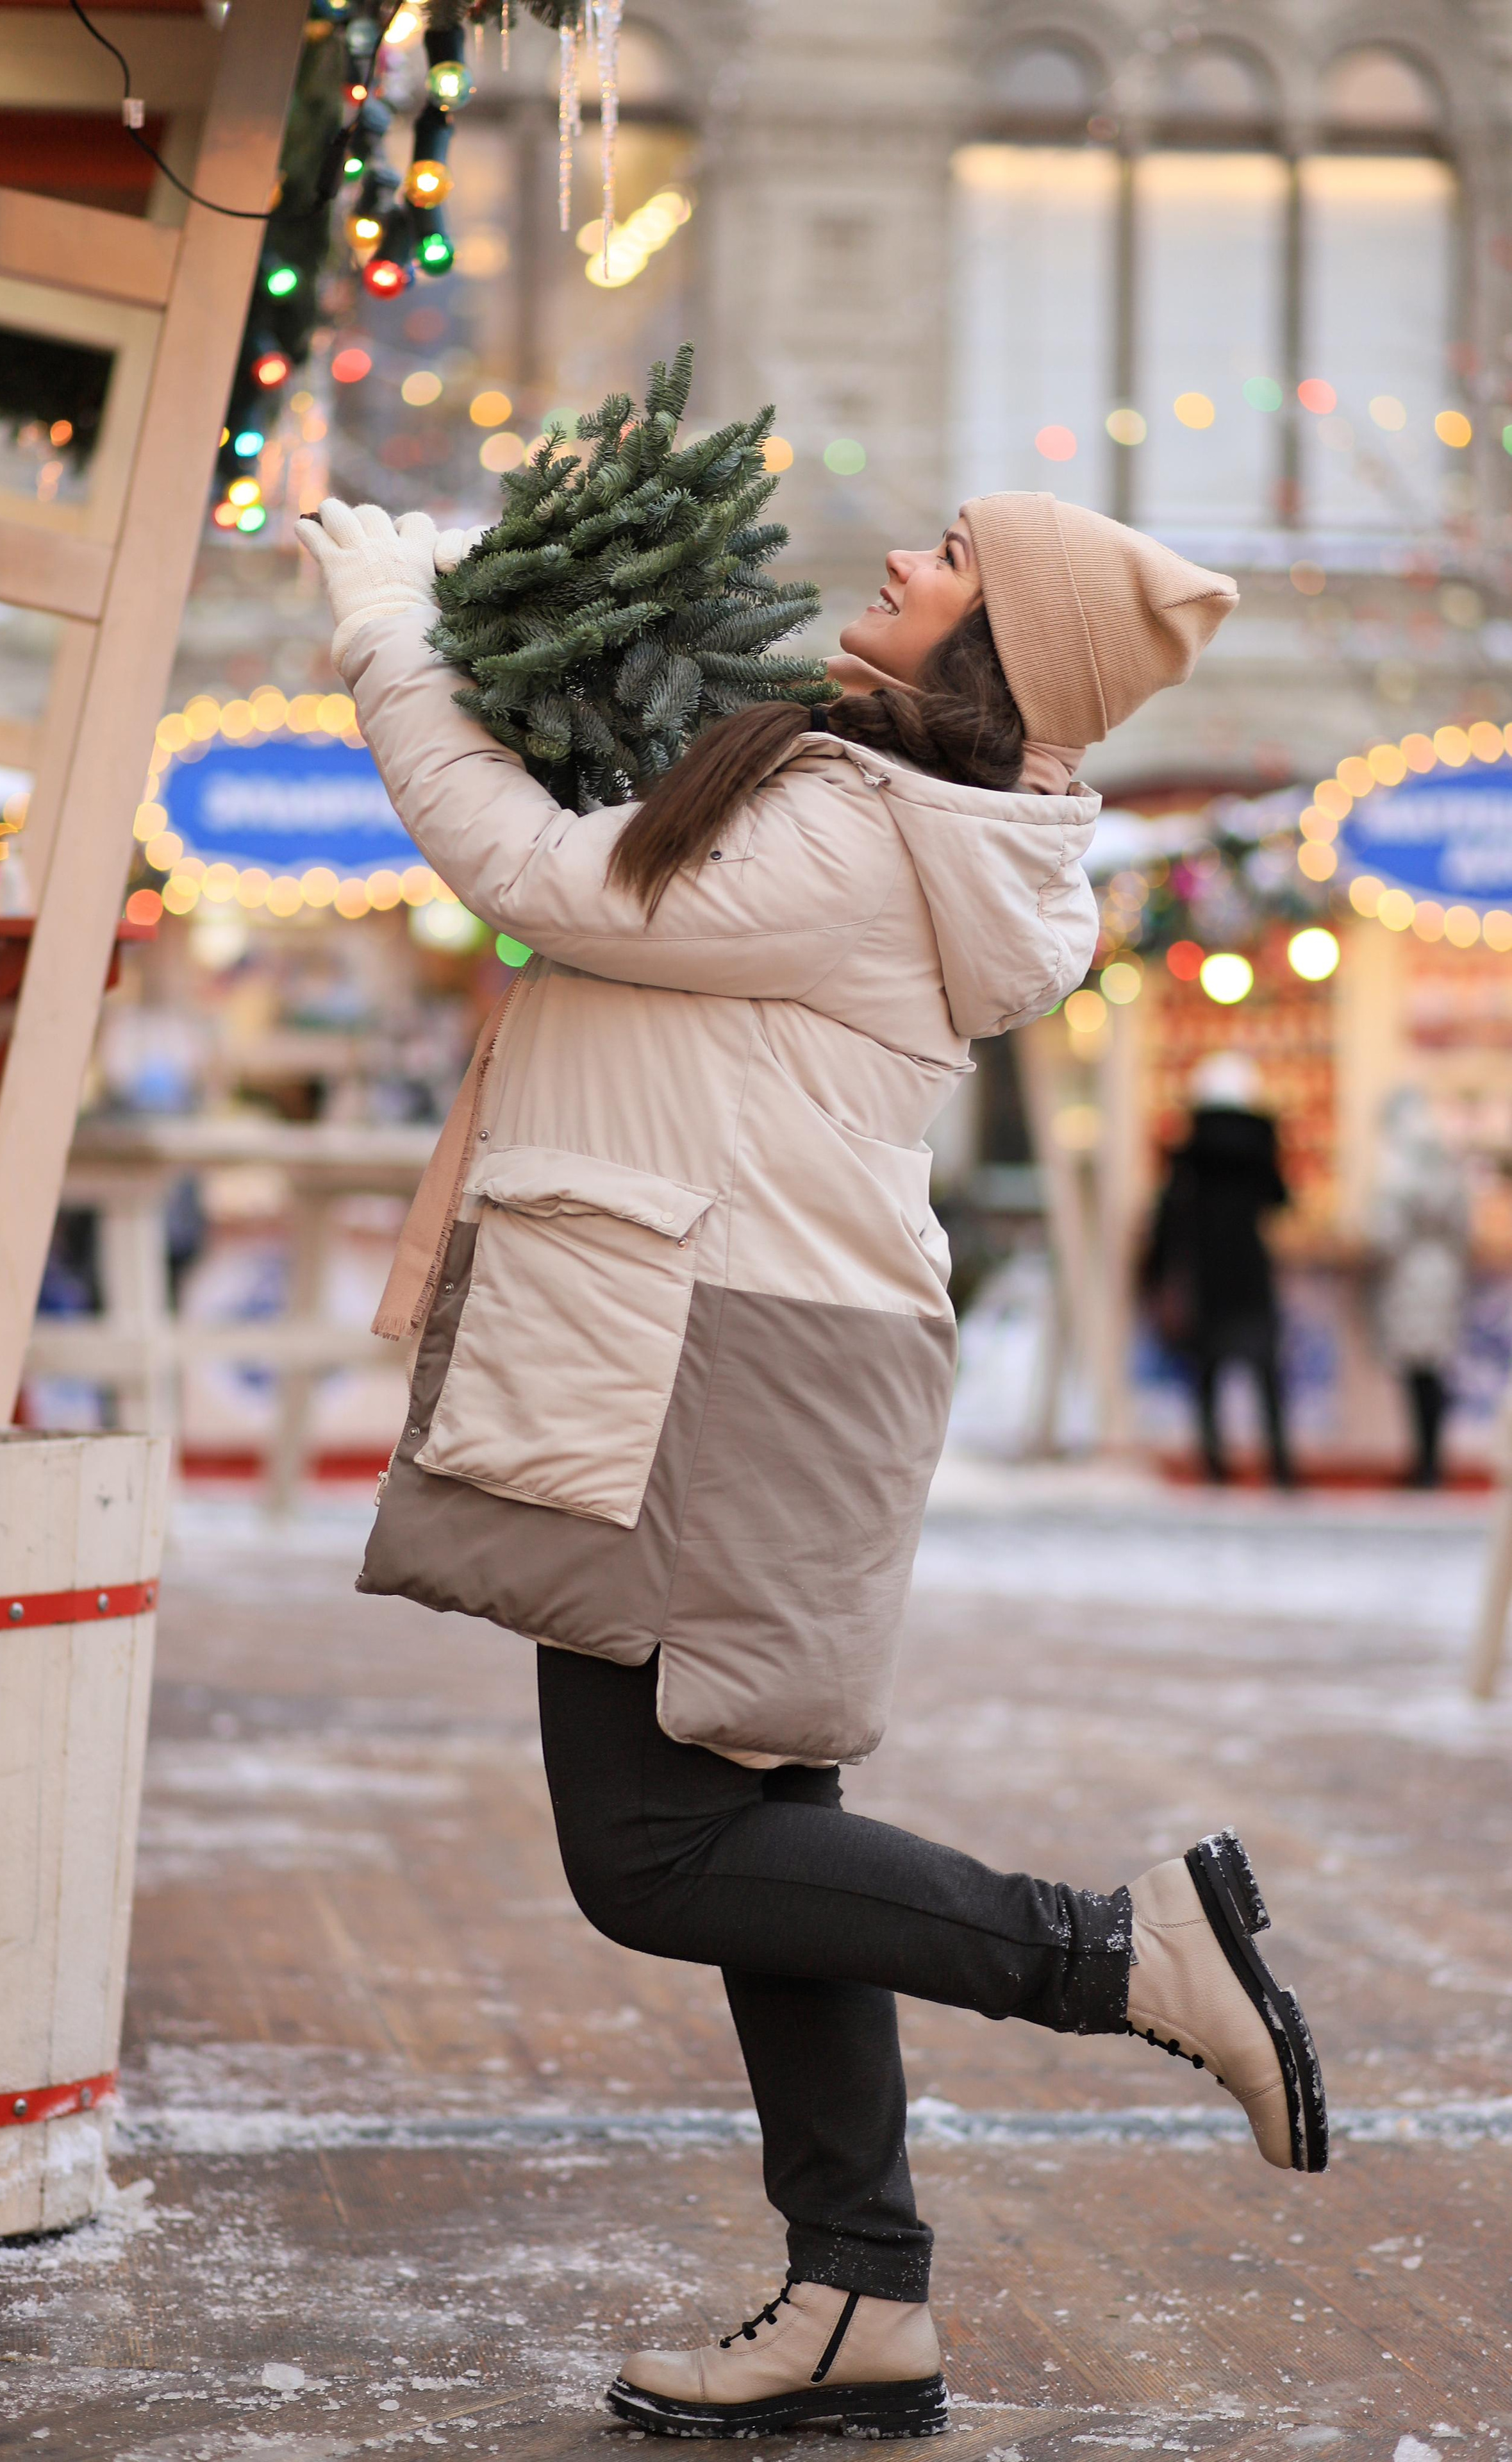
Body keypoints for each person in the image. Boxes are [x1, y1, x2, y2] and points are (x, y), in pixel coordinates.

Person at [299, 489, 1327, 2442]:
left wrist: (391, 631)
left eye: (947, 558)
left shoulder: (860, 837)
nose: (899, 562)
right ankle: (860, 2288)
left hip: (716, 1349)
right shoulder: (868, 798)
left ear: (995, 645)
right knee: (758, 1835)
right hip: (725, 1328)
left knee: (658, 1849)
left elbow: (528, 863)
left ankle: (1122, 1955)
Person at [1143, 1051, 1294, 1487]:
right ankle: (1281, 1469)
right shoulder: (1260, 1147)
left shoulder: (1188, 1154)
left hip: (1206, 1277)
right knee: (1265, 1378)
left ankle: (1214, 1469)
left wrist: (1155, 1274)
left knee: (1208, 1379)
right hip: (1250, 1273)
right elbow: (1280, 1200)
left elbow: (1168, 1221)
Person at [1368, 1086, 1470, 1487]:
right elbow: (1465, 1226)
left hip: (1407, 1277)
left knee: (1415, 1376)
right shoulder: (1447, 1161)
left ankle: (1424, 1464)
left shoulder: (1396, 1167)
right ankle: (1432, 1462)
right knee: (1434, 1373)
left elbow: (1384, 1234)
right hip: (1443, 1274)